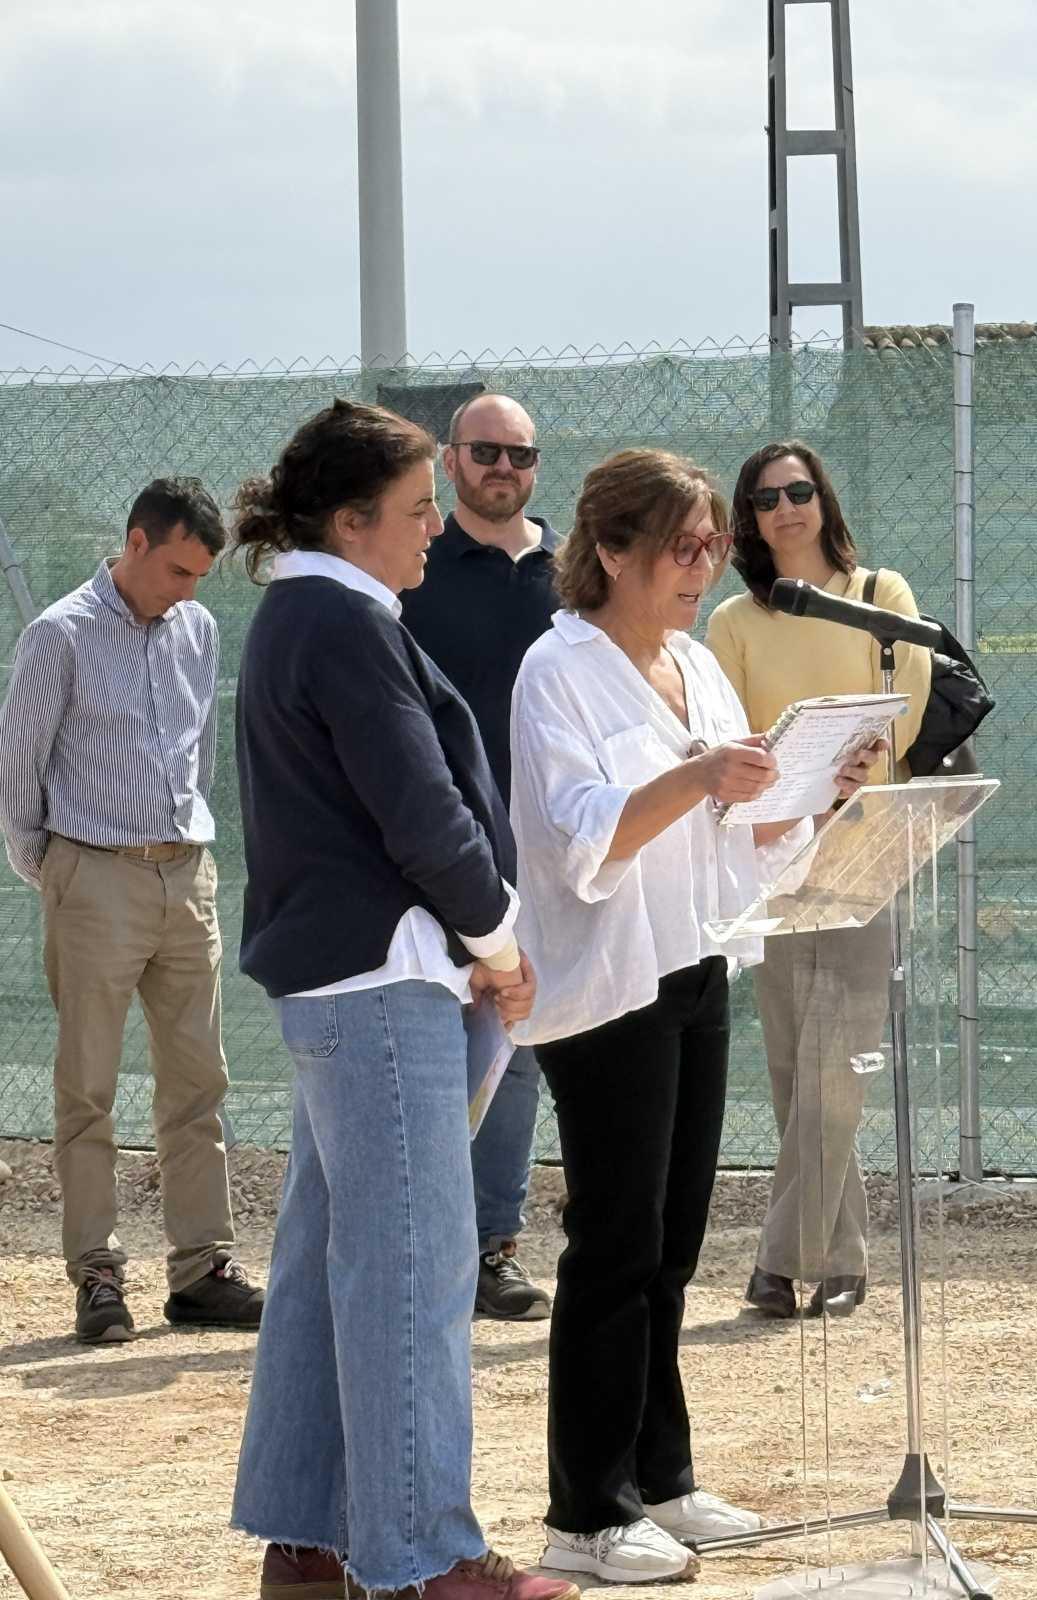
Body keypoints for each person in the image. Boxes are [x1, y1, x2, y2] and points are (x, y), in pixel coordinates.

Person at [228, 398, 579, 1600]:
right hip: (385, 983)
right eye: (418, 505)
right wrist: (499, 938)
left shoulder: (313, 609)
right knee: (413, 1273)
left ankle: (309, 1538)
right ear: (350, 517)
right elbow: (419, 805)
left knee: (337, 1262)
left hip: (353, 982)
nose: (436, 524)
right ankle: (427, 1558)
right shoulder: (339, 617)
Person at [507, 449, 877, 1585]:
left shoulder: (694, 665)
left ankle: (659, 1478)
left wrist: (817, 792)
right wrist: (701, 775)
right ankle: (585, 1508)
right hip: (608, 984)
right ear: (609, 550)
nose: (706, 561)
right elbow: (585, 839)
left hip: (696, 964)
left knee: (671, 1242)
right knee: (613, 1241)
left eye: (713, 542)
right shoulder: (555, 670)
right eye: (684, 544)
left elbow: (737, 835)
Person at [0, 478, 263, 1345]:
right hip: (94, 878)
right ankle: (98, 1277)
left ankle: (201, 1271)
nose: (190, 589)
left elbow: (198, 755)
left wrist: (191, 851)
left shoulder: (199, 628)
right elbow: (18, 771)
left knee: (200, 1084)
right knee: (89, 1090)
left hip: (187, 877)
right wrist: (61, 874)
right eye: (180, 569)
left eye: (201, 575)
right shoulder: (59, 635)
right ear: (137, 542)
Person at [705, 440, 931, 1321]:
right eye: (765, 500)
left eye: (798, 491)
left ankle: (780, 1257)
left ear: (823, 499)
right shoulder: (733, 623)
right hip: (776, 844)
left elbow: (903, 720)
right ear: (750, 521)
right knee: (797, 1060)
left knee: (839, 1057)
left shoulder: (883, 598)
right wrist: (799, 786)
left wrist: (858, 767)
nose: (785, 508)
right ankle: (839, 1256)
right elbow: (729, 733)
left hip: (868, 839)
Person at [401, 392, 558, 1321]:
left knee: (528, 1050)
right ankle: (439, 1241)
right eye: (485, 452)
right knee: (448, 1048)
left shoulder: (574, 570)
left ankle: (497, 1241)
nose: (503, 468)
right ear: (452, 461)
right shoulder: (416, 570)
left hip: (563, 851)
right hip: (445, 848)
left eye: (520, 454)